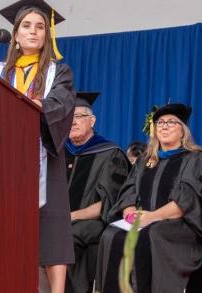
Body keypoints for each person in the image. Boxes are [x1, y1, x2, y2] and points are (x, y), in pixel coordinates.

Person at [0, 0, 76, 293]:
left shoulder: (57, 71)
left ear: (47, 35)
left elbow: (61, 102)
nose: (34, 31)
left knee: (52, 230)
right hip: (3, 161)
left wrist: (33, 104)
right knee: (5, 227)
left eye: (40, 26)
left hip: (44, 157)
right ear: (15, 34)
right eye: (26, 25)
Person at [95, 103, 202, 293]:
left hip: (181, 225)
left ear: (183, 131)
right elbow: (128, 192)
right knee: (111, 234)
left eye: (171, 122)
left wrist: (151, 217)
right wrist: (130, 214)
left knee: (150, 235)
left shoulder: (195, 159)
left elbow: (187, 201)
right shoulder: (145, 160)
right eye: (160, 122)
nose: (164, 126)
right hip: (144, 220)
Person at [65, 92, 130, 293]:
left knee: (66, 235)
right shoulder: (57, 152)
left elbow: (110, 202)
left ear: (92, 120)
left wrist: (71, 216)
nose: (72, 122)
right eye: (68, 117)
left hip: (92, 222)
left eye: (78, 116)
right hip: (59, 220)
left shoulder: (110, 153)